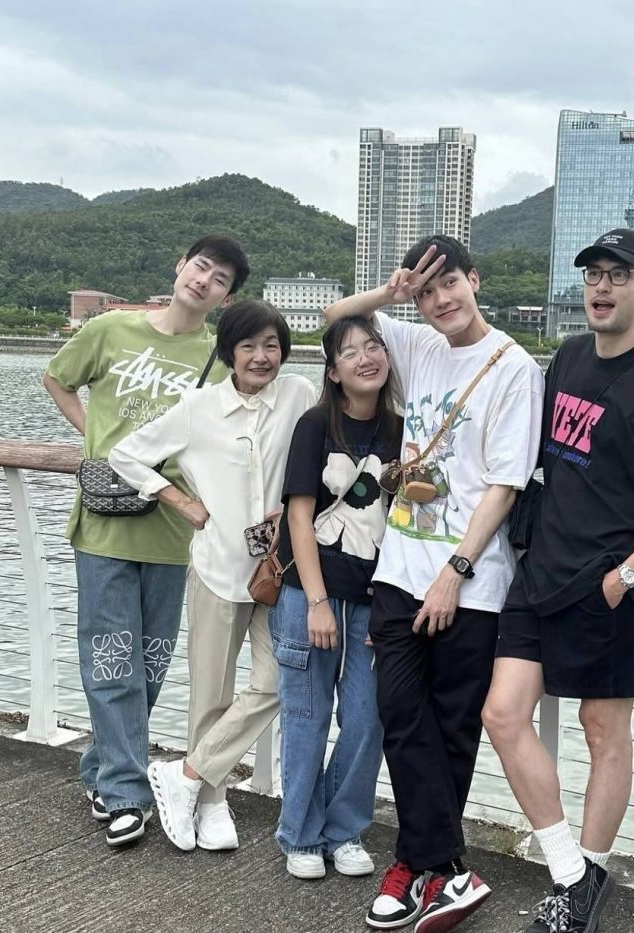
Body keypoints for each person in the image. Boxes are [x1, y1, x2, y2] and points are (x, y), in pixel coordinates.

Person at [482, 229, 634, 933]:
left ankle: (588, 869)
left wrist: (624, 577)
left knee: (603, 728)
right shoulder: (570, 358)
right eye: (593, 275)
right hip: (540, 572)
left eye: (618, 275)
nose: (601, 287)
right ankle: (572, 876)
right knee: (502, 714)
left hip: (610, 586)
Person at [324, 236, 544, 933]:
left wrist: (456, 571)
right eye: (425, 292)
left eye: (449, 283)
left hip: (470, 584)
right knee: (400, 715)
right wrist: (390, 293)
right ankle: (447, 869)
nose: (440, 299)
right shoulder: (417, 344)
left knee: (451, 730)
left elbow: (504, 485)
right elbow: (335, 316)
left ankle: (411, 868)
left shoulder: (514, 368)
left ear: (474, 280)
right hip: (397, 571)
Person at [43, 235, 249, 846]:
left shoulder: (217, 357)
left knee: (150, 664)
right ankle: (126, 793)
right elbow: (57, 379)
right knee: (112, 659)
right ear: (181, 266)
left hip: (176, 527)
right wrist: (97, 440)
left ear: (225, 297)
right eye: (201, 266)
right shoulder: (111, 329)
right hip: (105, 523)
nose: (204, 280)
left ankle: (100, 769)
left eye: (219, 279)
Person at [109, 300, 317, 851]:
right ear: (228, 352)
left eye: (272, 345)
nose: (261, 356)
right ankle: (211, 801)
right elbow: (125, 455)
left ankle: (186, 775)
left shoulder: (298, 395)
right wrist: (181, 501)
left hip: (279, 572)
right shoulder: (198, 407)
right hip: (217, 568)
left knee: (277, 680)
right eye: (249, 345)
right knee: (210, 694)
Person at [270, 316, 402, 880]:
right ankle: (300, 834)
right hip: (310, 593)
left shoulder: (401, 429)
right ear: (333, 371)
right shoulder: (314, 424)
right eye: (350, 352)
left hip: (376, 597)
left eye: (374, 346)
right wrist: (318, 601)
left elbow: (407, 519)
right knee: (307, 714)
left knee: (368, 718)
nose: (365, 358)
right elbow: (299, 517)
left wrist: (395, 601)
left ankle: (344, 829)